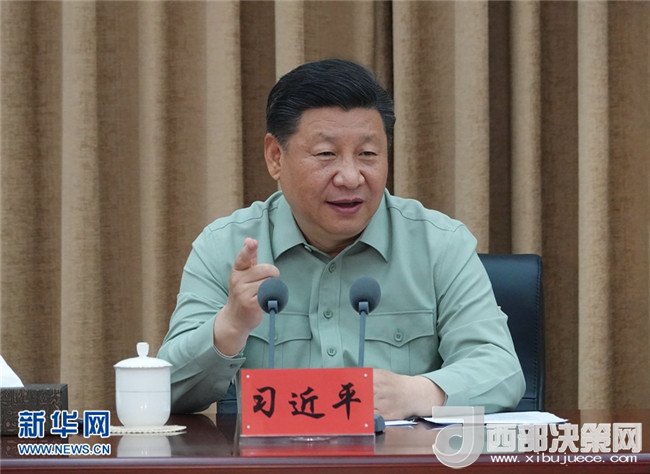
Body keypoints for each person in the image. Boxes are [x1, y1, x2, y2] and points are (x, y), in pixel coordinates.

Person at [158, 59, 525, 419]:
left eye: (368, 154)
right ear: (275, 157)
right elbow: (166, 391)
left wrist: (414, 393)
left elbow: (501, 371)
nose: (350, 177)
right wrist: (231, 325)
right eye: (326, 154)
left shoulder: (439, 245)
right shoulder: (225, 248)